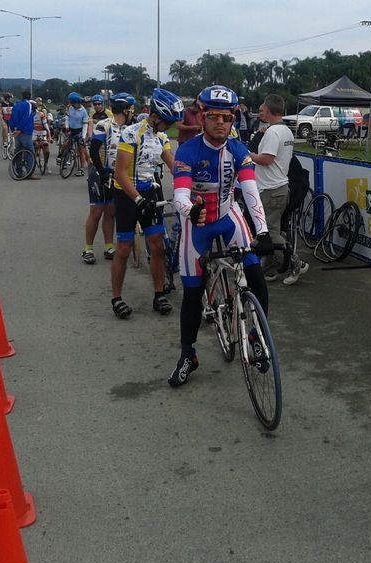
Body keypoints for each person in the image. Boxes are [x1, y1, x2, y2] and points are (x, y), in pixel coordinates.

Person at [168, 85, 273, 387]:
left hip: (228, 218)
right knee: (191, 293)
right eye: (213, 116)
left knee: (255, 275)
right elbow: (180, 195)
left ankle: (255, 336)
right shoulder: (188, 150)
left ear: (233, 119)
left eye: (226, 118)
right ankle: (188, 354)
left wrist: (262, 231)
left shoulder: (237, 150)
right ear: (201, 117)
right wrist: (189, 211)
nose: (220, 123)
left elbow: (251, 191)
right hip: (196, 225)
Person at [110, 88, 184, 319]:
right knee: (123, 248)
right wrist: (138, 199)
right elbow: (119, 173)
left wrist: (194, 182)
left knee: (157, 245)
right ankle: (116, 297)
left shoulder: (161, 138)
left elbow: (175, 167)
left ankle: (158, 294)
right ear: (157, 116)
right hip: (126, 195)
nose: (170, 128)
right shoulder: (131, 133)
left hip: (148, 192)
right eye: (169, 122)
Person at [249, 94, 309, 285]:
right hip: (279, 187)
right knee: (269, 230)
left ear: (268, 110)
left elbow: (266, 159)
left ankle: (296, 262)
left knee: (269, 233)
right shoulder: (286, 131)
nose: (260, 112)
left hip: (271, 189)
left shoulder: (273, 133)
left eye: (262, 109)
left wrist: (247, 154)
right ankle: (268, 269)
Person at [82, 93, 134, 265]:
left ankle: (108, 246)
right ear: (124, 110)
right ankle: (88, 248)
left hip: (116, 174)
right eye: (131, 109)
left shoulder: (129, 128)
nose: (132, 112)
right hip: (99, 172)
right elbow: (94, 151)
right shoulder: (103, 125)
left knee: (111, 210)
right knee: (97, 211)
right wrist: (102, 173)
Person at [58, 92, 89, 176]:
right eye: (71, 103)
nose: (72, 104)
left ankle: (81, 169)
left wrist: (83, 136)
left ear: (78, 103)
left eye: (73, 103)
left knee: (81, 150)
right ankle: (61, 156)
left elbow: (85, 125)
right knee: (65, 144)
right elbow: (68, 118)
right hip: (71, 130)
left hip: (80, 131)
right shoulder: (70, 108)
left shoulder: (84, 112)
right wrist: (67, 127)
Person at [8, 90, 36, 175]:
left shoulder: (16, 104)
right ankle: (29, 172)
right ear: (30, 97)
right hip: (25, 131)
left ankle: (18, 171)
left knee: (18, 151)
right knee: (30, 152)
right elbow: (26, 117)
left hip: (16, 131)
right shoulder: (28, 105)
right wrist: (20, 129)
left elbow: (11, 117)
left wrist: (14, 129)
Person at [32, 98, 51, 174]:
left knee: (47, 151)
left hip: (42, 133)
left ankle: (46, 164)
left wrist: (49, 136)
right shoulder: (28, 115)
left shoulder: (41, 114)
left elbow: (46, 126)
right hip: (33, 133)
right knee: (33, 148)